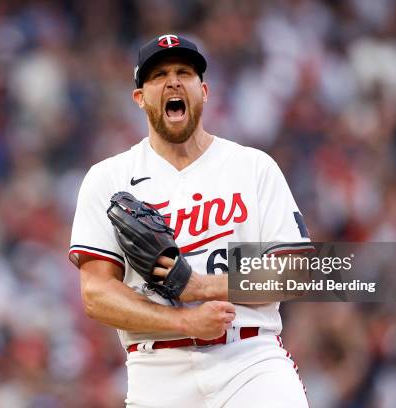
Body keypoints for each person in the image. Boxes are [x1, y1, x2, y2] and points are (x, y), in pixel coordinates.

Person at [69, 34, 313, 407]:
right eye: (158, 75)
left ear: (204, 90)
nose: (173, 81)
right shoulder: (108, 178)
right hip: (157, 370)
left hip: (249, 360)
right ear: (140, 97)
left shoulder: (251, 167)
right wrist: (184, 322)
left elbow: (296, 272)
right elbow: (96, 295)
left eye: (184, 71)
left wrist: (201, 287)